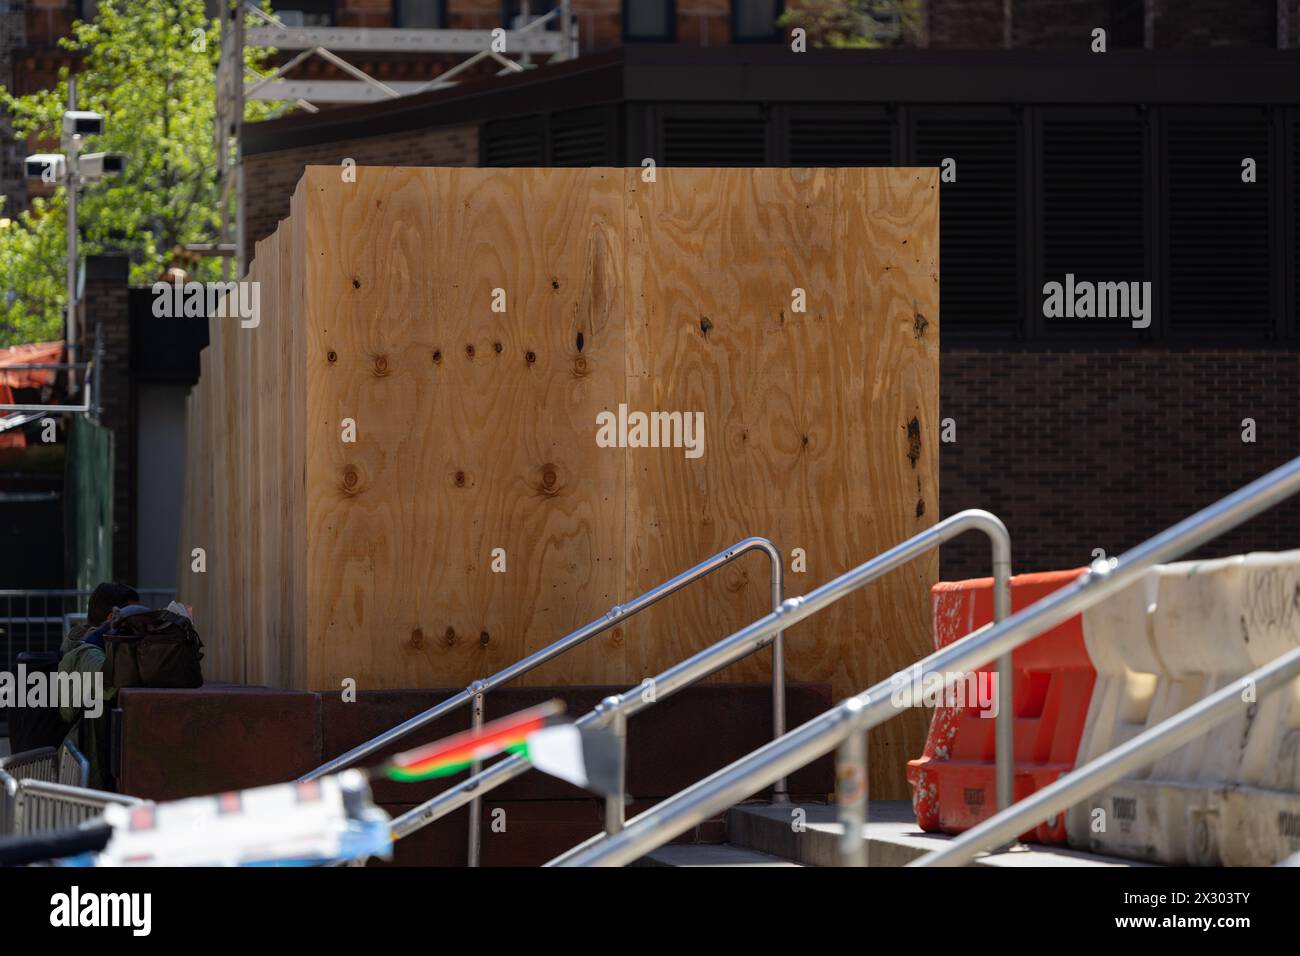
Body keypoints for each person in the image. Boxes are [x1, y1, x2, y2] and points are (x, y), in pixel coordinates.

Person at [60, 582, 139, 655]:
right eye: (131, 613)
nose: (139, 619)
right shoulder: (96, 651)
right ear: (113, 616)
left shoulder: (81, 643)